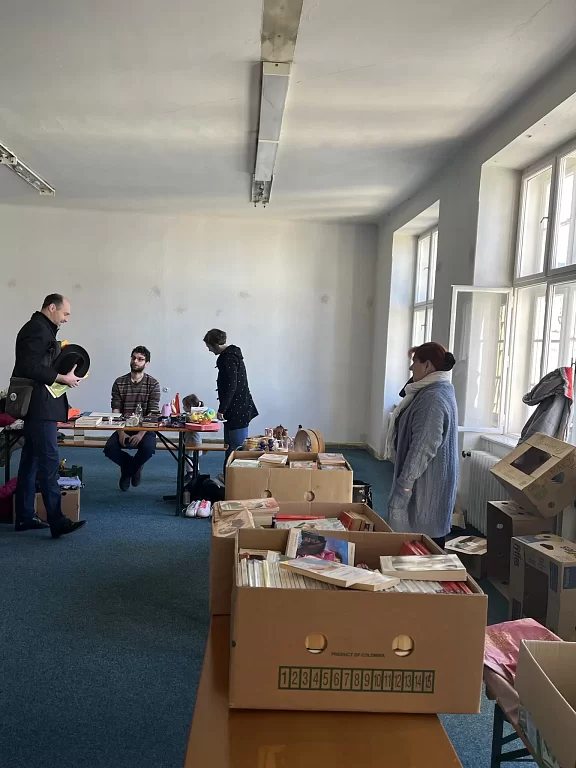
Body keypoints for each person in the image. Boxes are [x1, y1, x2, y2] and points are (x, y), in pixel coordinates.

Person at [13, 294, 86, 538]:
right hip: (40, 407)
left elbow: (39, 363)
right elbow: (30, 367)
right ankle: (57, 521)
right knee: (49, 463)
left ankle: (24, 516)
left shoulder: (41, 329)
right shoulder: (36, 329)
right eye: (65, 313)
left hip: (39, 406)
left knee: (31, 462)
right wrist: (63, 378)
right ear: (52, 307)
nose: (66, 319)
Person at [387, 342, 458, 549]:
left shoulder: (432, 398)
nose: (411, 368)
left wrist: (405, 484)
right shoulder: (437, 389)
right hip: (430, 478)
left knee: (423, 540)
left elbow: (423, 447)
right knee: (426, 537)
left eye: (414, 362)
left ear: (427, 366)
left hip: (426, 482)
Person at [104, 346, 160, 491]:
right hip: (124, 426)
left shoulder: (153, 384)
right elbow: (115, 410)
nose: (135, 361)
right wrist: (121, 432)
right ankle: (134, 466)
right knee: (109, 449)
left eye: (140, 359)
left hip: (145, 428)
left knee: (148, 449)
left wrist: (141, 434)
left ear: (147, 363)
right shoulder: (119, 382)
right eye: (134, 358)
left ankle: (127, 471)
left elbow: (153, 412)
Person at [204, 329, 258, 471]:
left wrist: (222, 409)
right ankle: (228, 478)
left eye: (209, 346)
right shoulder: (233, 354)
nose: (209, 350)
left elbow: (231, 385)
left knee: (236, 450)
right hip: (239, 407)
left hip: (237, 409)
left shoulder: (227, 358)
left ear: (215, 344)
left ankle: (234, 479)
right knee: (230, 447)